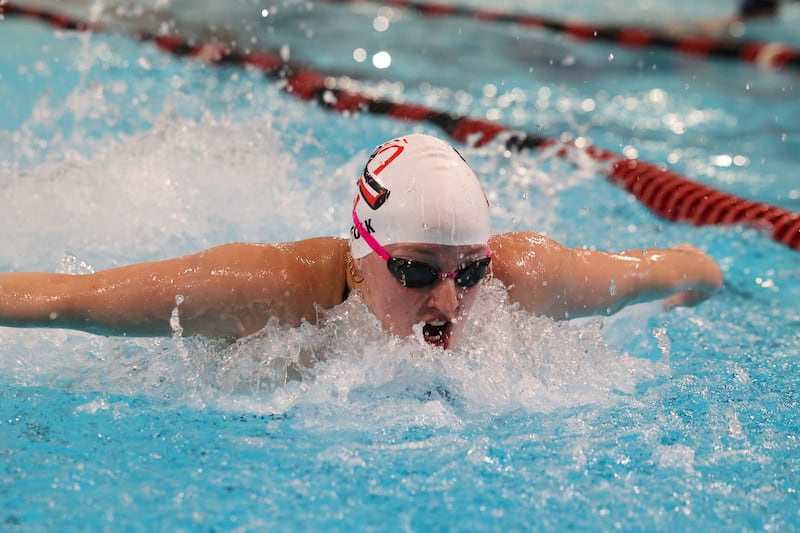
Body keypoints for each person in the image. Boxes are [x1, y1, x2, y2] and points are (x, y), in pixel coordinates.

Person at [0, 134, 723, 350]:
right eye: (413, 269)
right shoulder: (267, 291)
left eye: (470, 270)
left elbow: (666, 268)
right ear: (361, 253)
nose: (449, 299)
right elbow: (70, 299)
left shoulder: (527, 276)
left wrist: (705, 287)